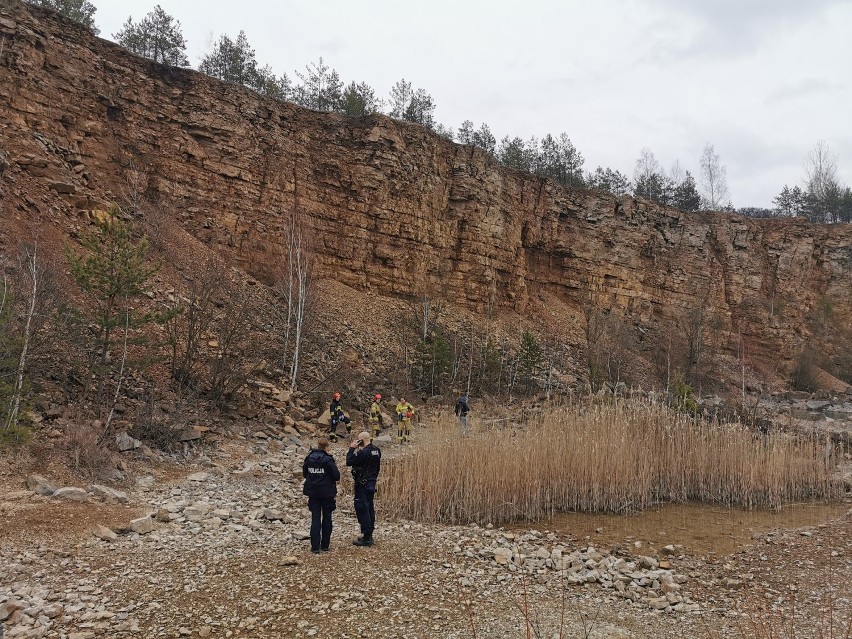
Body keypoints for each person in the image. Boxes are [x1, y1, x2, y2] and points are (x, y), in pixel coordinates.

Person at [302, 436, 340, 554]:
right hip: (327, 493)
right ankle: (325, 545)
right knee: (327, 517)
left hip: (313, 492)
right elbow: (336, 476)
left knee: (315, 518)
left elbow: (304, 473)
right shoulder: (328, 460)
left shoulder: (309, 458)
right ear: (327, 446)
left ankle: (315, 547)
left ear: (318, 445)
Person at [346, 431, 381, 547]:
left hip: (362, 484)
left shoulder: (364, 452)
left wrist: (352, 449)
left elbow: (349, 461)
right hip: (371, 483)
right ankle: (369, 534)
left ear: (361, 440)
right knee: (370, 507)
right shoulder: (376, 450)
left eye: (358, 440)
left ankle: (366, 537)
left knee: (362, 508)